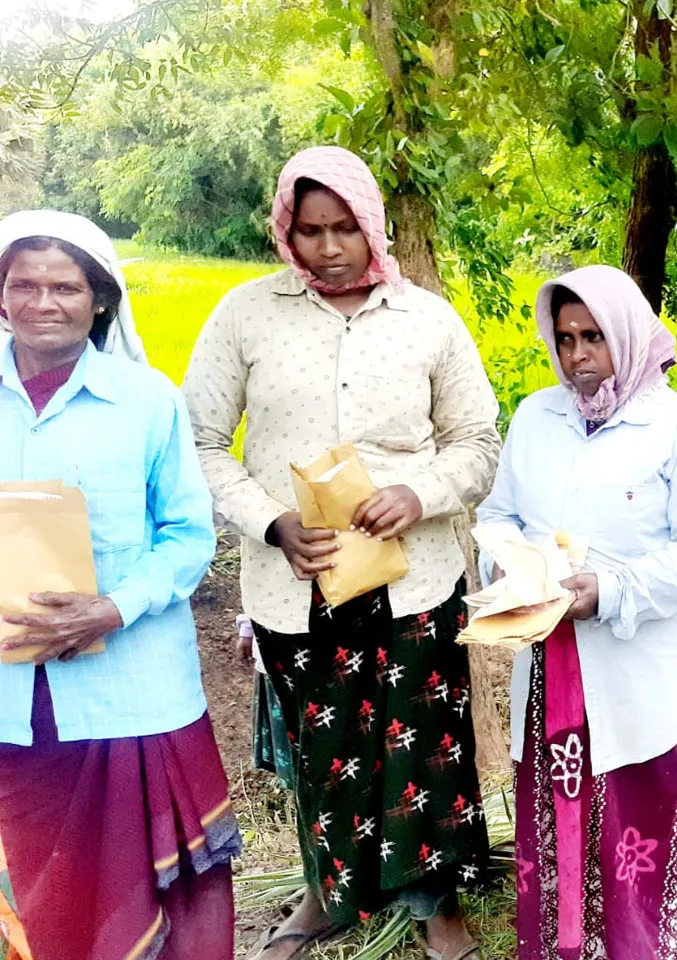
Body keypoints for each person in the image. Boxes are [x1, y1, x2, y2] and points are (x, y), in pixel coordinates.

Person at [182, 146, 502, 960]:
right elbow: (203, 441)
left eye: (345, 229)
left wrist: (419, 494)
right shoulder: (246, 314)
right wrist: (271, 523)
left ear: (373, 226)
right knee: (321, 751)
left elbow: (477, 442)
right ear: (287, 229)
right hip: (299, 580)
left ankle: (437, 905)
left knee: (427, 745)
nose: (328, 248)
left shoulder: (428, 318)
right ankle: (329, 894)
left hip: (416, 578)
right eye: (310, 229)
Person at [476, 265, 677, 960]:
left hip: (641, 673)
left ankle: (648, 947)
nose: (578, 354)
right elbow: (498, 513)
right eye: (565, 339)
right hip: (551, 665)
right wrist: (504, 564)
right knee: (561, 812)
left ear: (627, 333)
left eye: (594, 336)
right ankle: (570, 943)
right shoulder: (537, 417)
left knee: (634, 821)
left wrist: (609, 592)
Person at [0, 210, 239, 960]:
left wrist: (111, 607)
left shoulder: (147, 400)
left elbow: (188, 535)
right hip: (14, 698)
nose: (44, 303)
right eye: (24, 285)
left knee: (159, 887)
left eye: (65, 287)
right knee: (36, 889)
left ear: (100, 299)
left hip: (132, 690)